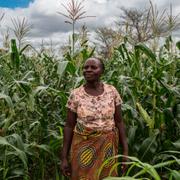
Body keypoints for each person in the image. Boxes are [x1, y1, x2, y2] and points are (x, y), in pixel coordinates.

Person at [60, 57, 128, 179]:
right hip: (83, 146)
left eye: (93, 67)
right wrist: (64, 157)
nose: (88, 70)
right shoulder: (76, 94)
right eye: (85, 67)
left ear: (102, 71)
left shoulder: (112, 91)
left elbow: (119, 122)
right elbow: (69, 126)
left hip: (108, 146)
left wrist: (125, 152)